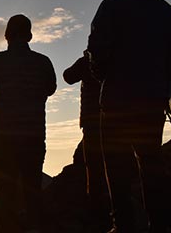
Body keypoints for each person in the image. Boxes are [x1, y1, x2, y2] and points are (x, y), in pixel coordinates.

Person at [85, 0, 171, 232]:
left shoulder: (111, 7)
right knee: (151, 165)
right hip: (152, 103)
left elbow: (97, 50)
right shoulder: (168, 11)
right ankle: (160, 223)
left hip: (116, 100)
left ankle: (123, 225)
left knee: (116, 168)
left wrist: (102, 76)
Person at [0, 14, 56, 232]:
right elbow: (51, 88)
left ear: (7, 35)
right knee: (32, 192)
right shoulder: (43, 62)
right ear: (29, 35)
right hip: (34, 138)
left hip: (4, 139)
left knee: (5, 195)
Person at [63, 53, 109, 231]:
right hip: (116, 119)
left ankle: (96, 214)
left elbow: (68, 76)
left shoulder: (89, 60)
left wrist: (85, 58)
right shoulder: (119, 55)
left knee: (93, 169)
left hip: (92, 121)